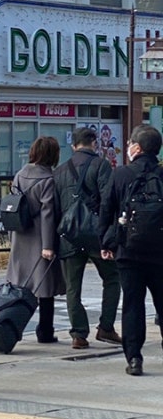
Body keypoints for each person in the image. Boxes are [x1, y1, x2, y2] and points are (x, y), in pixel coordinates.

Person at [101, 125, 163, 377]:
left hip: (129, 251)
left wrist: (106, 243)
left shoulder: (121, 175)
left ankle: (135, 358)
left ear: (136, 147)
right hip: (160, 252)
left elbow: (106, 209)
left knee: (132, 305)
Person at [53, 126, 121, 350]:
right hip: (96, 234)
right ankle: (106, 327)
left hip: (69, 236)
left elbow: (54, 208)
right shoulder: (101, 165)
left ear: (73, 146)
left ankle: (78, 334)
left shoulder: (60, 170)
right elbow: (109, 200)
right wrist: (111, 234)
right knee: (112, 279)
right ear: (94, 144)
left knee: (73, 287)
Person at [7, 136, 66, 342]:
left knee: (19, 285)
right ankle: (45, 331)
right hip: (40, 238)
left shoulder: (20, 175)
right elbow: (48, 213)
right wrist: (48, 245)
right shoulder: (49, 179)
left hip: (20, 235)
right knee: (44, 286)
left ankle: (10, 325)